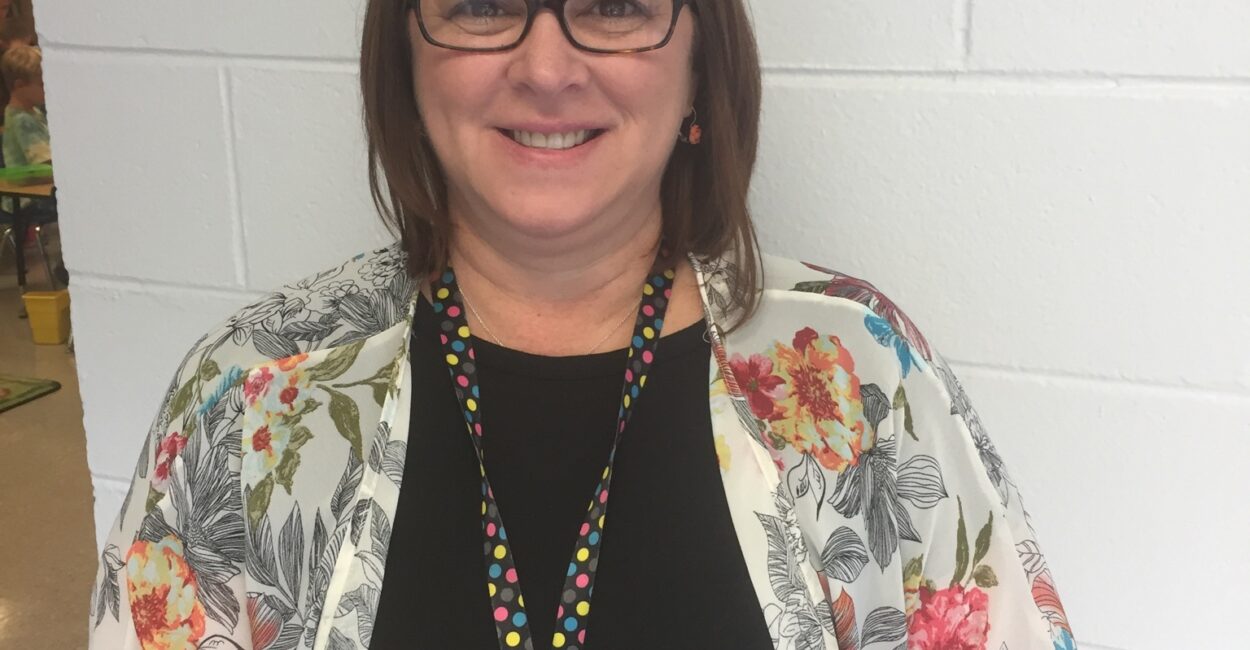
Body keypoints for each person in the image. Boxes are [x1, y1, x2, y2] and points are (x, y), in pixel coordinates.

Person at [87, 1, 1075, 649]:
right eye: (483, 4)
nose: (546, 66)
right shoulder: (254, 393)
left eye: (613, 3)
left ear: (699, 66)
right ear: (406, 59)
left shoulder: (858, 374)